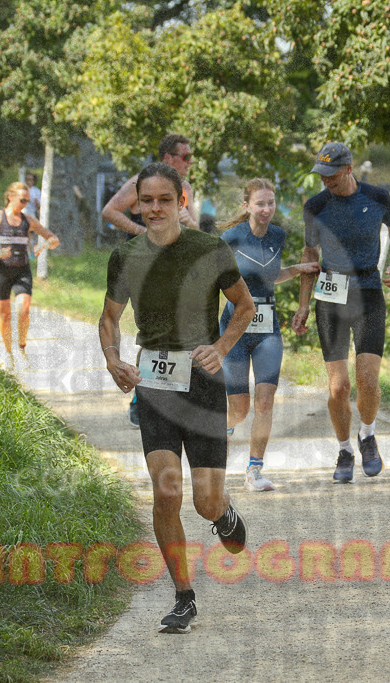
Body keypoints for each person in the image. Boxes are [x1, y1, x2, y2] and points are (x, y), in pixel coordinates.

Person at [99, 163, 254, 633]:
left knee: (204, 502)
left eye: (164, 200)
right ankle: (183, 596)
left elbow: (244, 307)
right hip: (155, 386)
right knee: (166, 491)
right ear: (137, 203)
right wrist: (113, 359)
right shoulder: (126, 256)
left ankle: (222, 512)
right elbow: (108, 320)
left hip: (203, 384)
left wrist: (221, 347)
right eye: (146, 201)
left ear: (181, 200)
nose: (154, 209)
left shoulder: (209, 250)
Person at [291, 142, 390, 483]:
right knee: (339, 387)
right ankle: (344, 450)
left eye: (331, 175)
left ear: (348, 168)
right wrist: (302, 304)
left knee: (368, 380)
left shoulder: (377, 197)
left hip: (369, 291)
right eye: (321, 175)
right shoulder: (316, 206)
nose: (325, 180)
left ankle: (367, 435)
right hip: (331, 295)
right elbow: (311, 253)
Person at [219, 178, 318, 491]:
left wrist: (299, 270)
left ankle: (255, 471)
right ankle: (221, 429)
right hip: (235, 327)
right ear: (247, 206)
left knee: (264, 402)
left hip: (267, 329)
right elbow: (215, 280)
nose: (266, 209)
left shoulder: (278, 235)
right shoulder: (230, 237)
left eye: (270, 203)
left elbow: (271, 275)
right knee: (240, 409)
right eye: (259, 204)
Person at [101, 133, 201, 428]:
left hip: (179, 262)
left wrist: (189, 226)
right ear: (168, 157)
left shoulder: (186, 188)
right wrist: (141, 232)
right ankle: (141, 396)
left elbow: (195, 225)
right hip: (146, 262)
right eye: (186, 157)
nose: (190, 163)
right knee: (156, 325)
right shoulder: (140, 181)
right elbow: (110, 210)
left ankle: (182, 392)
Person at [0, 182, 59, 365]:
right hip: (1, 271)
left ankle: (21, 347)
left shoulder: (28, 220)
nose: (24, 204)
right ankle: (8, 352)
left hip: (22, 270)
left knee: (24, 308)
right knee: (5, 315)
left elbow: (53, 239)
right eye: (22, 200)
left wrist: (43, 245)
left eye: (27, 201)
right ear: (10, 197)